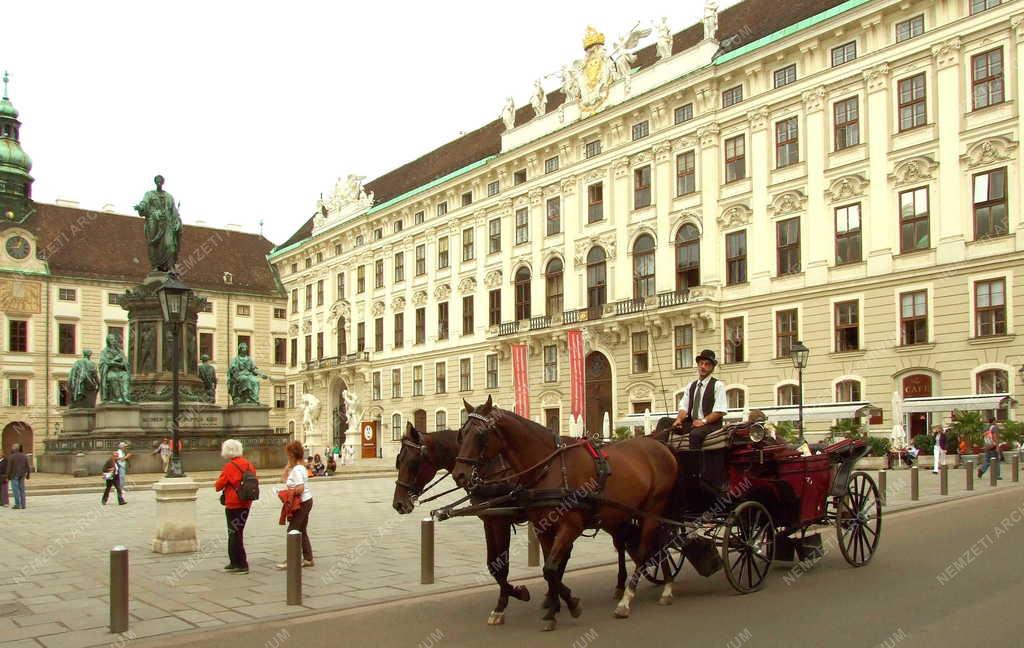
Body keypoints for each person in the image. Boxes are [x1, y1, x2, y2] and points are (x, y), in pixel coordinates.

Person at [215, 439, 256, 574]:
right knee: (238, 532)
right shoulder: (249, 464)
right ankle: (234, 562)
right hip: (246, 502)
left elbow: (218, 486)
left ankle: (241, 564)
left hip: (233, 503)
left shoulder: (229, 466)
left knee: (233, 533)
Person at [277, 440, 314, 569]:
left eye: (288, 455)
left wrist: (287, 493)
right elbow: (283, 478)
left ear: (292, 455)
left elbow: (300, 488)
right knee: (302, 530)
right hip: (307, 501)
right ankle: (308, 558)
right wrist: (288, 466)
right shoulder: (300, 467)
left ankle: (292, 560)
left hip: (302, 502)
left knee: (292, 530)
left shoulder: (298, 469)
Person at [133, 174, 182, 272]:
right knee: (154, 245)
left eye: (161, 181)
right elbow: (144, 204)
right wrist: (140, 207)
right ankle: (156, 266)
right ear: (155, 182)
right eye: (157, 181)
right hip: (155, 223)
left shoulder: (169, 197)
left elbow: (174, 211)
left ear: (163, 182)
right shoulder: (149, 194)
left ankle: (170, 266)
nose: (159, 183)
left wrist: (177, 221)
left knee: (170, 246)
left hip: (167, 224)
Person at [7, 443, 31, 509]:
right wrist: (28, 474)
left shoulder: (11, 456)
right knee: (22, 490)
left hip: (14, 475)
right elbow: (28, 466)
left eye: (12, 447)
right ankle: (23, 505)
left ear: (15, 448)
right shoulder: (24, 456)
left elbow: (9, 467)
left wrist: (7, 476)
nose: (11, 448)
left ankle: (18, 504)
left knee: (16, 490)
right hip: (22, 475)